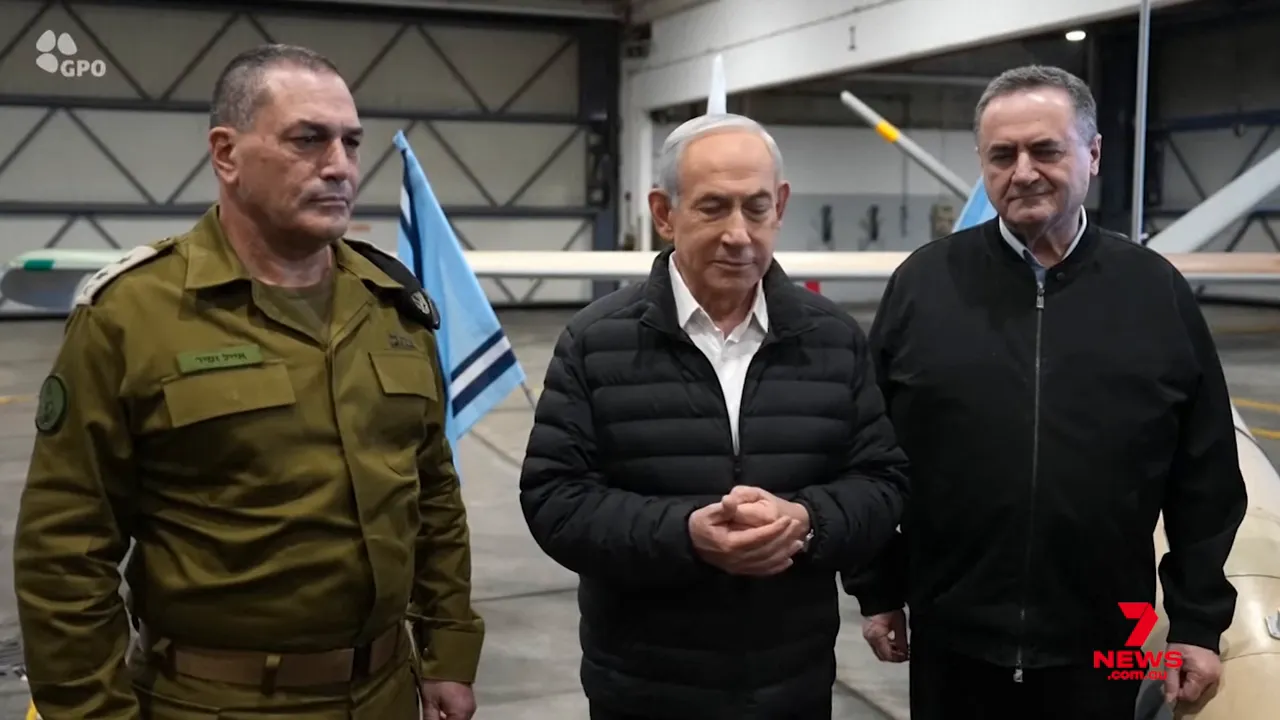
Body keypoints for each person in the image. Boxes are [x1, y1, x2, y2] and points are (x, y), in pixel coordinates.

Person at [13, 43, 484, 720]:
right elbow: (65, 549)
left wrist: (447, 654)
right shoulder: (133, 316)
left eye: (352, 143)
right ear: (226, 154)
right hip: (215, 702)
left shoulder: (392, 307)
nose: (340, 167)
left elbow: (433, 495)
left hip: (385, 693)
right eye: (308, 140)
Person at [844, 64, 1248, 719]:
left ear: (1091, 154)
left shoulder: (1155, 293)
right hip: (953, 642)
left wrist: (1198, 624)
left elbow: (1204, 477)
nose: (1023, 171)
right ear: (982, 162)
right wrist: (879, 589)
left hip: (1103, 644)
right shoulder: (923, 287)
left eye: (1046, 149)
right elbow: (868, 454)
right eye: (1002, 155)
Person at [518, 112, 911, 720]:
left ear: (780, 205)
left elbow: (882, 483)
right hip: (644, 689)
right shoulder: (596, 342)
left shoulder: (833, 339)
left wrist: (806, 521)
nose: (739, 234)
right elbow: (555, 499)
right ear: (663, 212)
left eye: (756, 208)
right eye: (712, 208)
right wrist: (685, 535)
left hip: (792, 688)